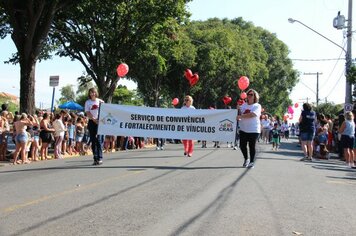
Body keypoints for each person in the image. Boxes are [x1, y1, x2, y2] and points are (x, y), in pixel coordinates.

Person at [236, 89, 261, 168]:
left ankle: (252, 161)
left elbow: (253, 114)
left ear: (255, 97)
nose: (249, 96)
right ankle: (246, 159)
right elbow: (239, 115)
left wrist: (241, 116)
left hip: (253, 129)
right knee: (242, 145)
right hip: (243, 128)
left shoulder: (257, 105)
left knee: (251, 146)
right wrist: (238, 109)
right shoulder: (243, 105)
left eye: (251, 94)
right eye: (248, 94)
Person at [85, 87, 104, 165]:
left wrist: (99, 120)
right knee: (93, 140)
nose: (93, 94)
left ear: (96, 93)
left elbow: (105, 111)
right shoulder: (88, 102)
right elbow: (87, 112)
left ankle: (100, 158)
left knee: (99, 140)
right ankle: (95, 158)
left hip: (100, 122)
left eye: (94, 92)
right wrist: (93, 119)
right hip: (92, 122)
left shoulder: (100, 101)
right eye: (91, 92)